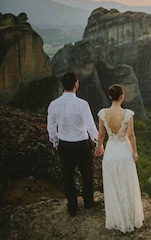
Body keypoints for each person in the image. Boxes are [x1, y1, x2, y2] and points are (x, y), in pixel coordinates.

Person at [47, 72, 100, 217]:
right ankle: (88, 202)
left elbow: (51, 127)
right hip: (81, 144)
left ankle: (72, 207)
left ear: (63, 85)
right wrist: (98, 143)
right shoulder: (82, 104)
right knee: (87, 174)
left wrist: (55, 142)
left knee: (68, 176)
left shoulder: (54, 104)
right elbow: (90, 126)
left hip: (64, 144)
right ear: (76, 84)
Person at [95, 84, 144, 233]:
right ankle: (129, 217)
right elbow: (130, 135)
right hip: (123, 151)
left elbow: (101, 134)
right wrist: (134, 152)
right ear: (122, 96)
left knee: (113, 183)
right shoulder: (128, 114)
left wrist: (98, 147)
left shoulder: (103, 113)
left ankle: (117, 218)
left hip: (110, 152)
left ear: (110, 97)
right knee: (126, 182)